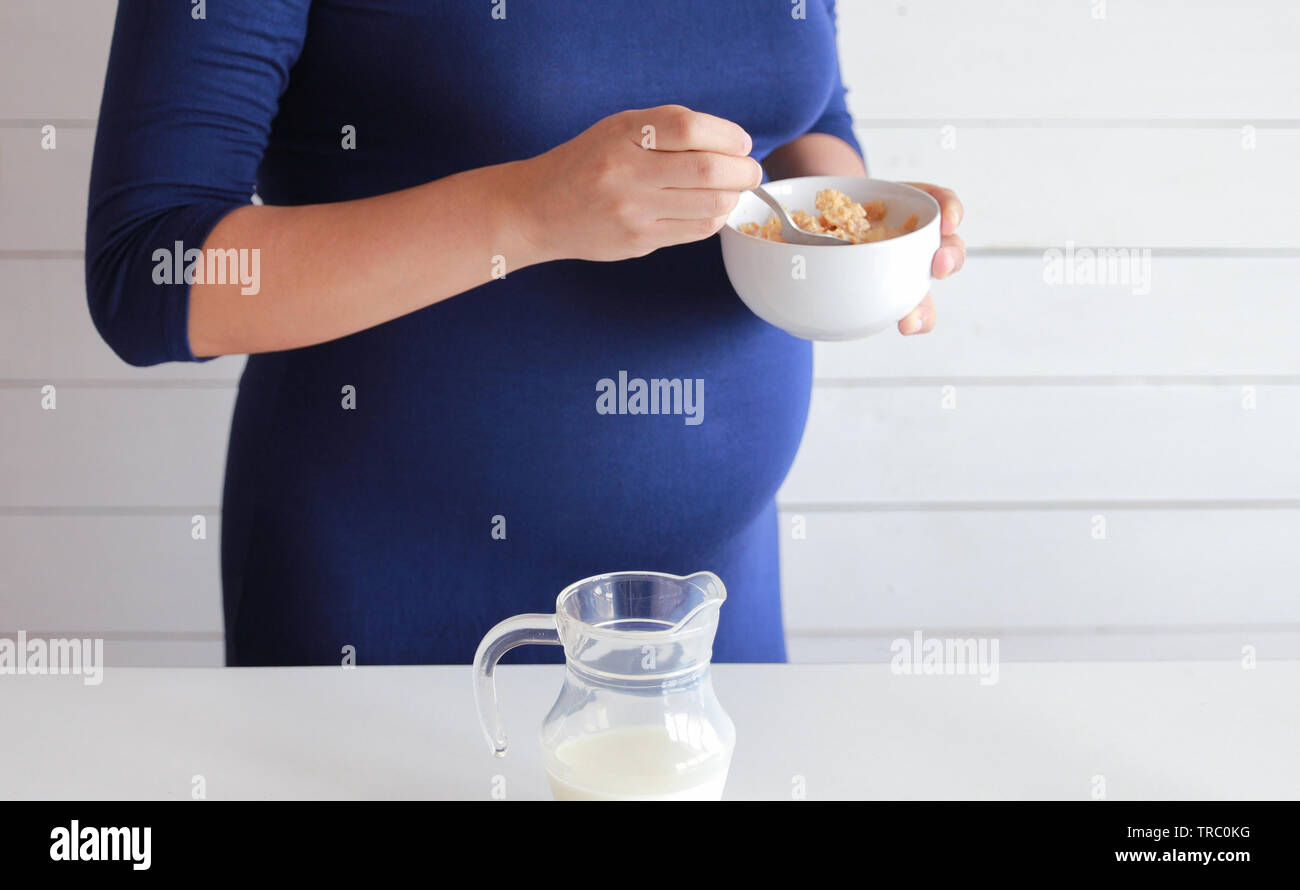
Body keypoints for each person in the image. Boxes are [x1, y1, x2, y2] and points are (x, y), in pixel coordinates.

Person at [86, 0, 965, 666]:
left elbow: (802, 109)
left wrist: (861, 228)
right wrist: (527, 213)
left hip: (709, 599)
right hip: (390, 587)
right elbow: (146, 269)